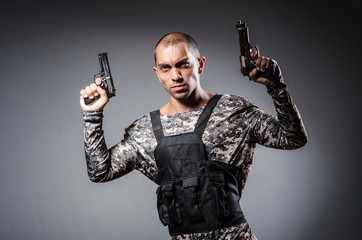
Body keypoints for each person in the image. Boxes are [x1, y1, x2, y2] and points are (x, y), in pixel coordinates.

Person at [79, 32, 307, 240]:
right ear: (157, 73)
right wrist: (92, 115)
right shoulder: (144, 131)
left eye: (183, 65)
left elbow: (292, 138)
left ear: (200, 65)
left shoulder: (232, 111)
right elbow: (101, 171)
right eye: (166, 68)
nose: (176, 75)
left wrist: (276, 87)